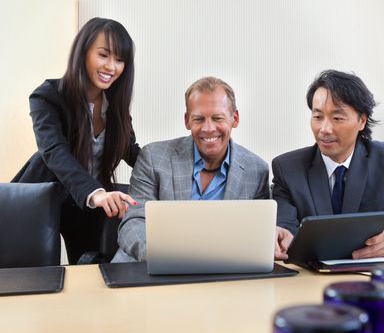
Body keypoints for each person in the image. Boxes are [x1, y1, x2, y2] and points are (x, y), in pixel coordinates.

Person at [273, 70, 384, 260]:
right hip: (308, 280)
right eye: (317, 117)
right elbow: (284, 229)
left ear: (362, 120)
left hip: (372, 280)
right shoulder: (288, 168)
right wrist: (281, 238)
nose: (324, 129)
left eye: (337, 118)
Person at [12, 18, 140, 264]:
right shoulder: (47, 95)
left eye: (120, 60)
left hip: (86, 208)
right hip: (41, 197)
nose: (111, 66)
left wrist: (171, 165)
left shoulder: (116, 109)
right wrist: (96, 193)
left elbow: (131, 151)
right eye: (103, 55)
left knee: (92, 270)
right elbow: (54, 151)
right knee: (27, 275)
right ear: (83, 53)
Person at [113, 76, 269, 262]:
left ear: (234, 118)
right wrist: (157, 256)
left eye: (218, 118)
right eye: (199, 119)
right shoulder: (153, 158)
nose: (208, 128)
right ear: (187, 121)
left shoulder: (257, 171)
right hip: (149, 264)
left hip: (221, 269)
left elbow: (257, 236)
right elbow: (133, 222)